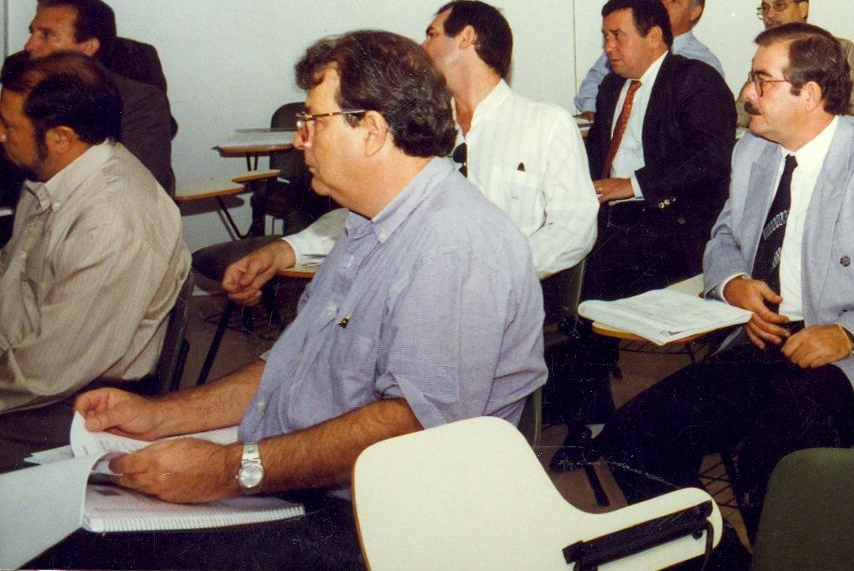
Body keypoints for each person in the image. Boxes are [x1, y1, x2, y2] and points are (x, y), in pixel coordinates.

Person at [40, 30, 544, 571]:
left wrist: (230, 470)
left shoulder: (456, 244)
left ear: (372, 131)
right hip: (310, 480)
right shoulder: (366, 222)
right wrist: (160, 416)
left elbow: (413, 425)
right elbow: (288, 365)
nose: (300, 141)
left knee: (99, 552)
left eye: (313, 121)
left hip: (386, 522)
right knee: (62, 522)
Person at [597, 22, 854, 560]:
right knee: (635, 435)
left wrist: (847, 333)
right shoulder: (753, 152)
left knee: (773, 456)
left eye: (761, 81)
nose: (746, 94)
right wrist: (733, 283)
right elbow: (723, 236)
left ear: (809, 94)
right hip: (769, 339)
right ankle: (725, 562)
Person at [221, 0, 597, 300]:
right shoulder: (421, 127)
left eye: (432, 34)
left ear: (467, 38)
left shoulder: (547, 124)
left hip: (509, 299)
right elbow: (373, 210)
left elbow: (574, 227)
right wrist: (286, 250)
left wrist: (491, 276)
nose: (421, 47)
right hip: (415, 294)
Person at [552, 0, 734, 466]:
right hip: (617, 214)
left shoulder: (695, 81)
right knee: (551, 258)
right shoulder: (613, 88)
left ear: (654, 37)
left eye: (618, 36)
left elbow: (710, 160)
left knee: (592, 276)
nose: (608, 47)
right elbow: (596, 157)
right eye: (605, 36)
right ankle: (569, 395)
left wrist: (630, 185)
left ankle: (589, 423)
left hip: (673, 223)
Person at [0, 55, 188, 415]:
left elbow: (47, 374)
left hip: (71, 401)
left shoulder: (110, 222)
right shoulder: (52, 177)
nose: (1, 135)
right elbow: (11, 274)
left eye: (9, 126)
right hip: (29, 365)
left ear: (61, 138)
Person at [22, 0, 176, 193]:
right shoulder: (23, 92)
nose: (29, 46)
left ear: (88, 47)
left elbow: (138, 185)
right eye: (32, 33)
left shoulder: (138, 101)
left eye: (46, 35)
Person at [576, 0, 725, 112]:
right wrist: (593, 109)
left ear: (694, 12)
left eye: (674, 1)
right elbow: (594, 80)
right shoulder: (627, 44)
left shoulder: (705, 63)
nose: (664, 6)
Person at [740, 0, 854, 122]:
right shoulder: (765, 57)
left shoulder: (839, 50)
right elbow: (742, 113)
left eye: (779, 5)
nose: (770, 15)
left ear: (803, 9)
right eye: (765, 8)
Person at [34, 0, 167, 93]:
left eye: (58, 0)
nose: (44, 7)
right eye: (41, 0)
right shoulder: (27, 55)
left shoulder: (135, 57)